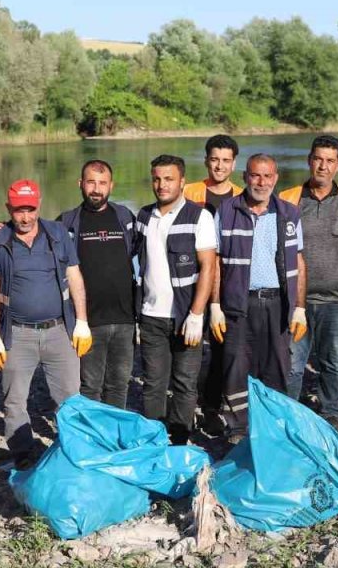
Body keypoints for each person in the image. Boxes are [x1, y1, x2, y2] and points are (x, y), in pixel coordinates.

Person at [211, 154, 307, 443]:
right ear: (245, 177)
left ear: (276, 178)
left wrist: (299, 307)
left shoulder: (289, 213)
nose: (261, 182)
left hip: (278, 303)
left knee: (277, 366)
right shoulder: (227, 211)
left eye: (267, 176)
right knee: (235, 364)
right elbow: (215, 261)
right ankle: (238, 428)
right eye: (255, 175)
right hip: (238, 303)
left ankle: (273, 426)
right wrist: (214, 305)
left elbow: (299, 261)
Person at [0, 180, 89, 468]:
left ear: (39, 205)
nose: (25, 217)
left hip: (59, 329)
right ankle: (23, 457)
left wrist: (82, 321)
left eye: (30, 209)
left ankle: (73, 454)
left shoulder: (58, 233)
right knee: (14, 401)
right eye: (19, 210)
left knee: (70, 399)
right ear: (9, 208)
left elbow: (74, 276)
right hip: (17, 333)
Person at [277, 136, 338, 431]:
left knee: (335, 362)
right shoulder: (287, 198)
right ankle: (290, 414)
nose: (323, 166)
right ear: (309, 160)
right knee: (292, 363)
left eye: (330, 161)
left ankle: (330, 412)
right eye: (318, 159)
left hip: (337, 300)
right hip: (294, 302)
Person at [136, 155, 217, 445]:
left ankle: (181, 439)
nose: (162, 185)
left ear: (182, 181)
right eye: (157, 178)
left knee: (184, 382)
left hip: (185, 316)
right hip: (151, 316)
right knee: (154, 384)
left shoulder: (200, 216)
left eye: (168, 179)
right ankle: (154, 440)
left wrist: (197, 314)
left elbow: (208, 265)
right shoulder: (144, 217)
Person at [57, 160, 137, 409]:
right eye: (91, 182)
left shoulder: (125, 217)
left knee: (119, 384)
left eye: (102, 183)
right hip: (87, 322)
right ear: (80, 184)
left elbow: (141, 257)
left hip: (124, 320)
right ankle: (93, 439)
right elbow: (36, 240)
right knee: (90, 386)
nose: (96, 189)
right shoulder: (67, 222)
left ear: (111, 185)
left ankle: (115, 437)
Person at [183, 134, 242, 429]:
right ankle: (184, 402)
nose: (219, 166)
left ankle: (212, 405)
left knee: (222, 348)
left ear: (234, 163)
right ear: (206, 160)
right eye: (215, 159)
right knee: (189, 345)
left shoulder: (242, 196)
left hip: (229, 284)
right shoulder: (190, 191)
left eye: (226, 160)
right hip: (192, 281)